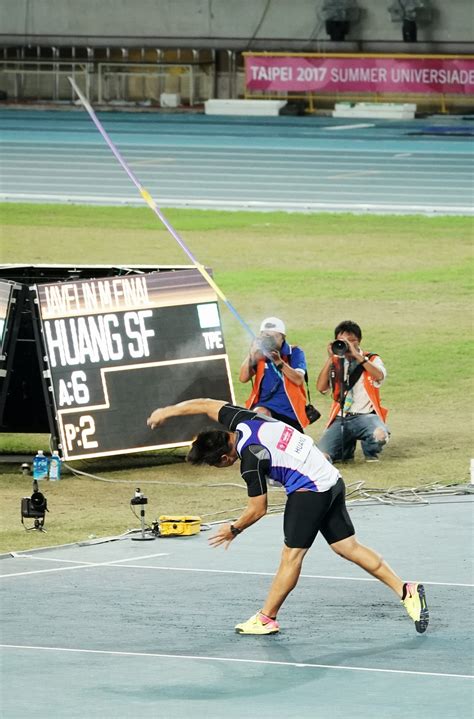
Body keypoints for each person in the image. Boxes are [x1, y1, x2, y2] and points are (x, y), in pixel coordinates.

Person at [147, 398, 429, 636]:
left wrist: (234, 529)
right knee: (347, 547)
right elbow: (205, 404)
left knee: (291, 557)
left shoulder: (251, 458)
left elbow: (258, 509)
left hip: (310, 491)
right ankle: (406, 590)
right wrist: (165, 412)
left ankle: (266, 618)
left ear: (223, 458)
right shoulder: (244, 419)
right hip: (331, 480)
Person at [316, 320, 390, 463]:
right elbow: (321, 388)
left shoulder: (372, 359)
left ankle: (371, 452)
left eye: (352, 340)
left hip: (366, 416)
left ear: (359, 341)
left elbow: (379, 376)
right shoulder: (335, 361)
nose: (349, 344)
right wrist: (331, 359)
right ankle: (346, 450)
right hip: (341, 417)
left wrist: (357, 356)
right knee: (321, 457)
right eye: (343, 341)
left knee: (381, 435)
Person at [239, 316, 309, 432]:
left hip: (289, 411)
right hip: (264, 406)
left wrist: (279, 362)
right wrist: (251, 354)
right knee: (260, 414)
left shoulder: (294, 352)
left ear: (283, 338)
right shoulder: (259, 354)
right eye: (266, 336)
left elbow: (298, 379)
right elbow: (243, 378)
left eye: (274, 336)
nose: (269, 340)